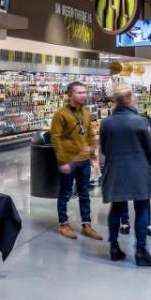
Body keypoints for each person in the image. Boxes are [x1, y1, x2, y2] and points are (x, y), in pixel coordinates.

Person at [99, 85, 151, 267]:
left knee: (116, 208)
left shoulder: (106, 122)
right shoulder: (141, 121)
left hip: (114, 169)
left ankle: (114, 247)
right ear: (129, 99)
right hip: (138, 170)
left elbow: (104, 148)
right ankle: (141, 251)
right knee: (142, 208)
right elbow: (150, 151)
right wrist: (146, 163)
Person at [50, 81, 102, 240]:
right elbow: (56, 138)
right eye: (79, 92)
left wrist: (93, 156)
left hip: (84, 161)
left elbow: (90, 135)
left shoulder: (86, 113)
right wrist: (62, 161)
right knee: (65, 193)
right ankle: (63, 223)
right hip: (68, 161)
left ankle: (86, 224)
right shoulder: (60, 114)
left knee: (85, 193)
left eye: (84, 92)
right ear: (69, 95)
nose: (84, 95)